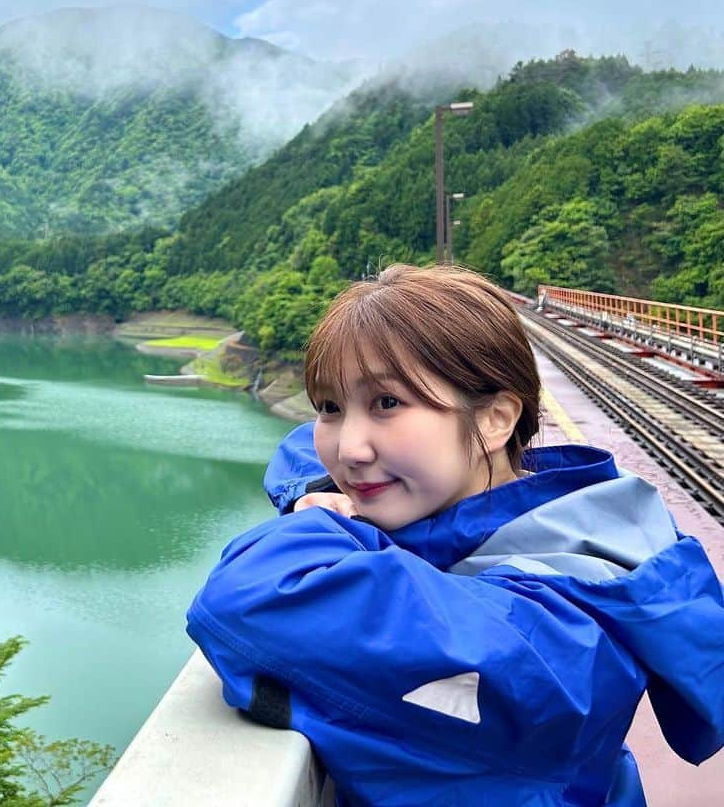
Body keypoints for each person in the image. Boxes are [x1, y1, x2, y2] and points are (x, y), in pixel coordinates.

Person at [186, 264, 724, 806]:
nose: (349, 449)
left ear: (495, 420)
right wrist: (315, 490)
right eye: (331, 407)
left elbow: (247, 595)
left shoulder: (557, 635)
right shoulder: (535, 510)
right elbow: (304, 446)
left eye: (387, 403)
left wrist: (316, 515)